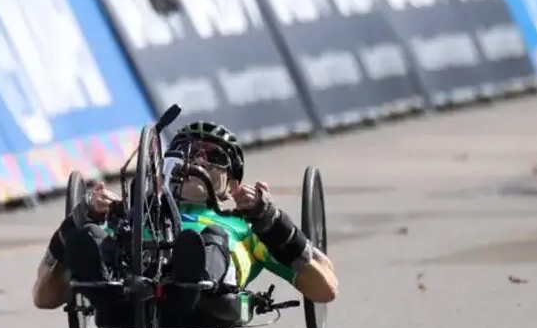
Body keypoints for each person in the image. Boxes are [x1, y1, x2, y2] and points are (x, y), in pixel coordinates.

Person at [32, 120, 338, 316]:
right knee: (90, 236)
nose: (198, 161)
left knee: (210, 238)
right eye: (187, 152)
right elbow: (43, 297)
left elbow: (325, 287)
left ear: (232, 185)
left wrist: (271, 219)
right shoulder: (134, 219)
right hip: (126, 286)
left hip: (208, 287)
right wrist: (81, 218)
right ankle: (101, 285)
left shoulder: (247, 227)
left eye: (214, 157)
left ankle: (192, 276)